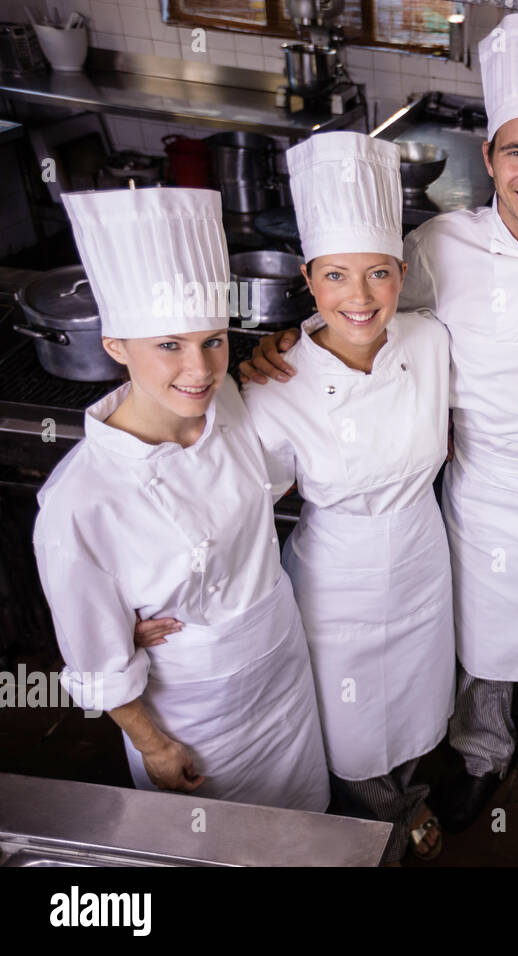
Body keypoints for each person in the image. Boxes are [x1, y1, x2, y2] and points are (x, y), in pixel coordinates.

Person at [238, 10, 518, 849]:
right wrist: (288, 338)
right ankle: (482, 754)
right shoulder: (439, 246)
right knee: (479, 642)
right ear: (488, 159)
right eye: (517, 150)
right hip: (481, 485)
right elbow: (361, 307)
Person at [33, 186, 329, 811]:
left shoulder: (224, 403)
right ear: (116, 345)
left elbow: (274, 474)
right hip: (195, 710)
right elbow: (96, 655)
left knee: (304, 827)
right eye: (168, 344)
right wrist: (154, 745)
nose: (199, 369)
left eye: (213, 339)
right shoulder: (77, 503)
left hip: (282, 666)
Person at [237, 131, 455, 864]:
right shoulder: (274, 383)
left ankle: (407, 791)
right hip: (337, 575)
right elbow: (242, 509)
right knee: (349, 713)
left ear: (401, 273)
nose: (358, 298)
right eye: (336, 277)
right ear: (308, 276)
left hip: (424, 549)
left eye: (378, 275)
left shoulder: (430, 342)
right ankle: (377, 817)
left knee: (420, 695)